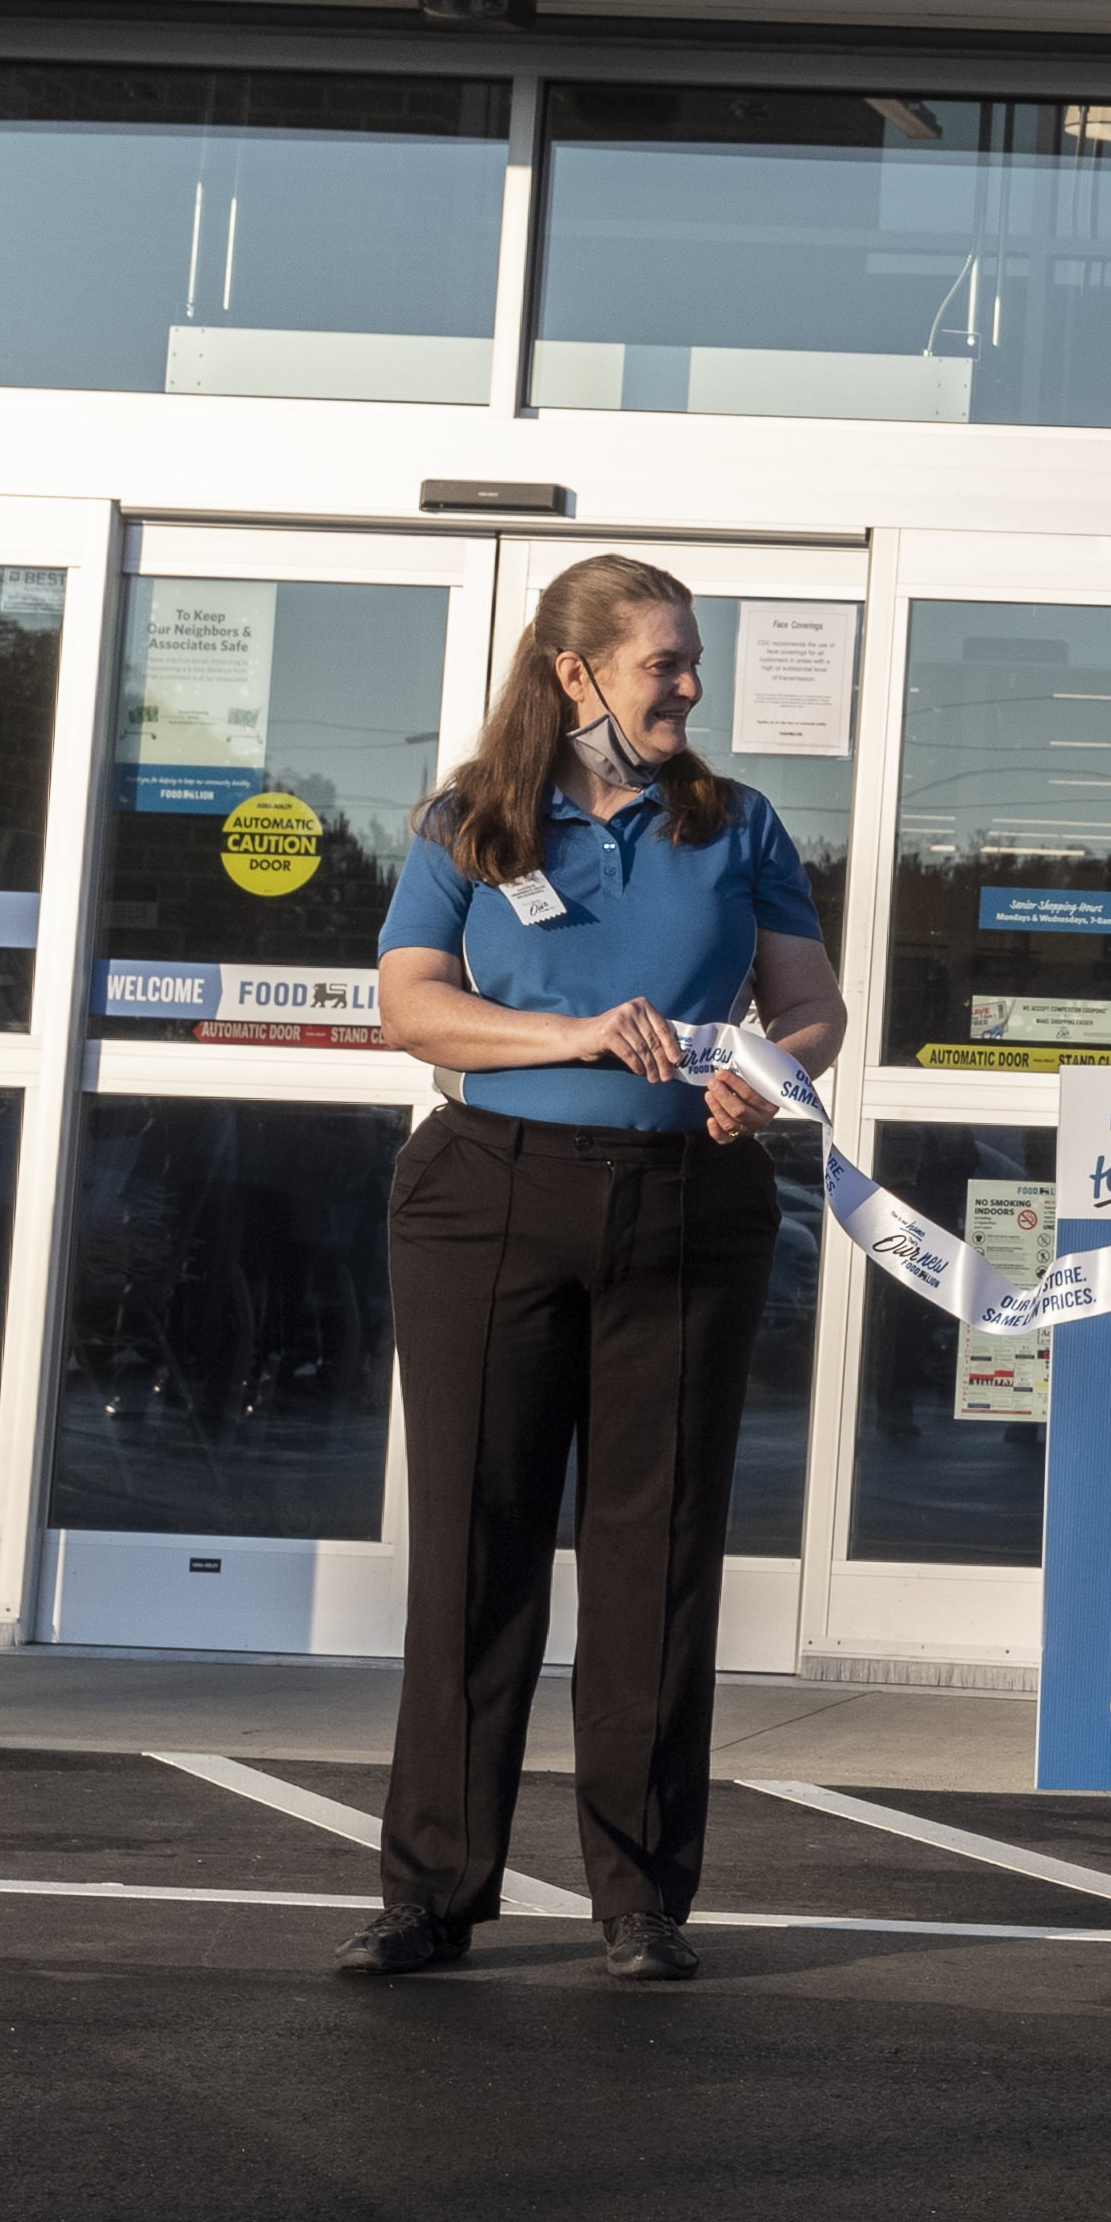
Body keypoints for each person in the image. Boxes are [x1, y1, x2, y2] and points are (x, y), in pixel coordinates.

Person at [340, 554, 844, 1986]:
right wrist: (566, 1036)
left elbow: (811, 1006)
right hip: (485, 1202)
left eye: (692, 664)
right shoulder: (472, 820)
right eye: (661, 664)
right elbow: (412, 1007)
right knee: (475, 1549)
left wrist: (768, 1072)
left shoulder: (737, 825)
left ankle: (640, 1901)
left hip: (691, 1209)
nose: (689, 686)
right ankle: (431, 1893)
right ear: (576, 676)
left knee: (658, 1553)